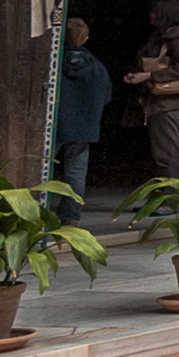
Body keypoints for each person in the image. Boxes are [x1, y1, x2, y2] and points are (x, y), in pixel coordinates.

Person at [122, 0, 179, 178]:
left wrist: (150, 76)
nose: (151, 15)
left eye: (156, 11)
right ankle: (162, 198)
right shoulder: (165, 35)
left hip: (169, 102)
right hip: (161, 100)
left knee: (166, 151)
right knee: (161, 150)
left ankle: (170, 199)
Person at [50, 17, 110, 220]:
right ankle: (70, 217)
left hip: (55, 125)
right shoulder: (97, 68)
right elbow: (106, 96)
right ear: (85, 39)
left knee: (42, 168)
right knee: (75, 173)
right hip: (84, 128)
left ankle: (34, 212)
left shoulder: (52, 64)